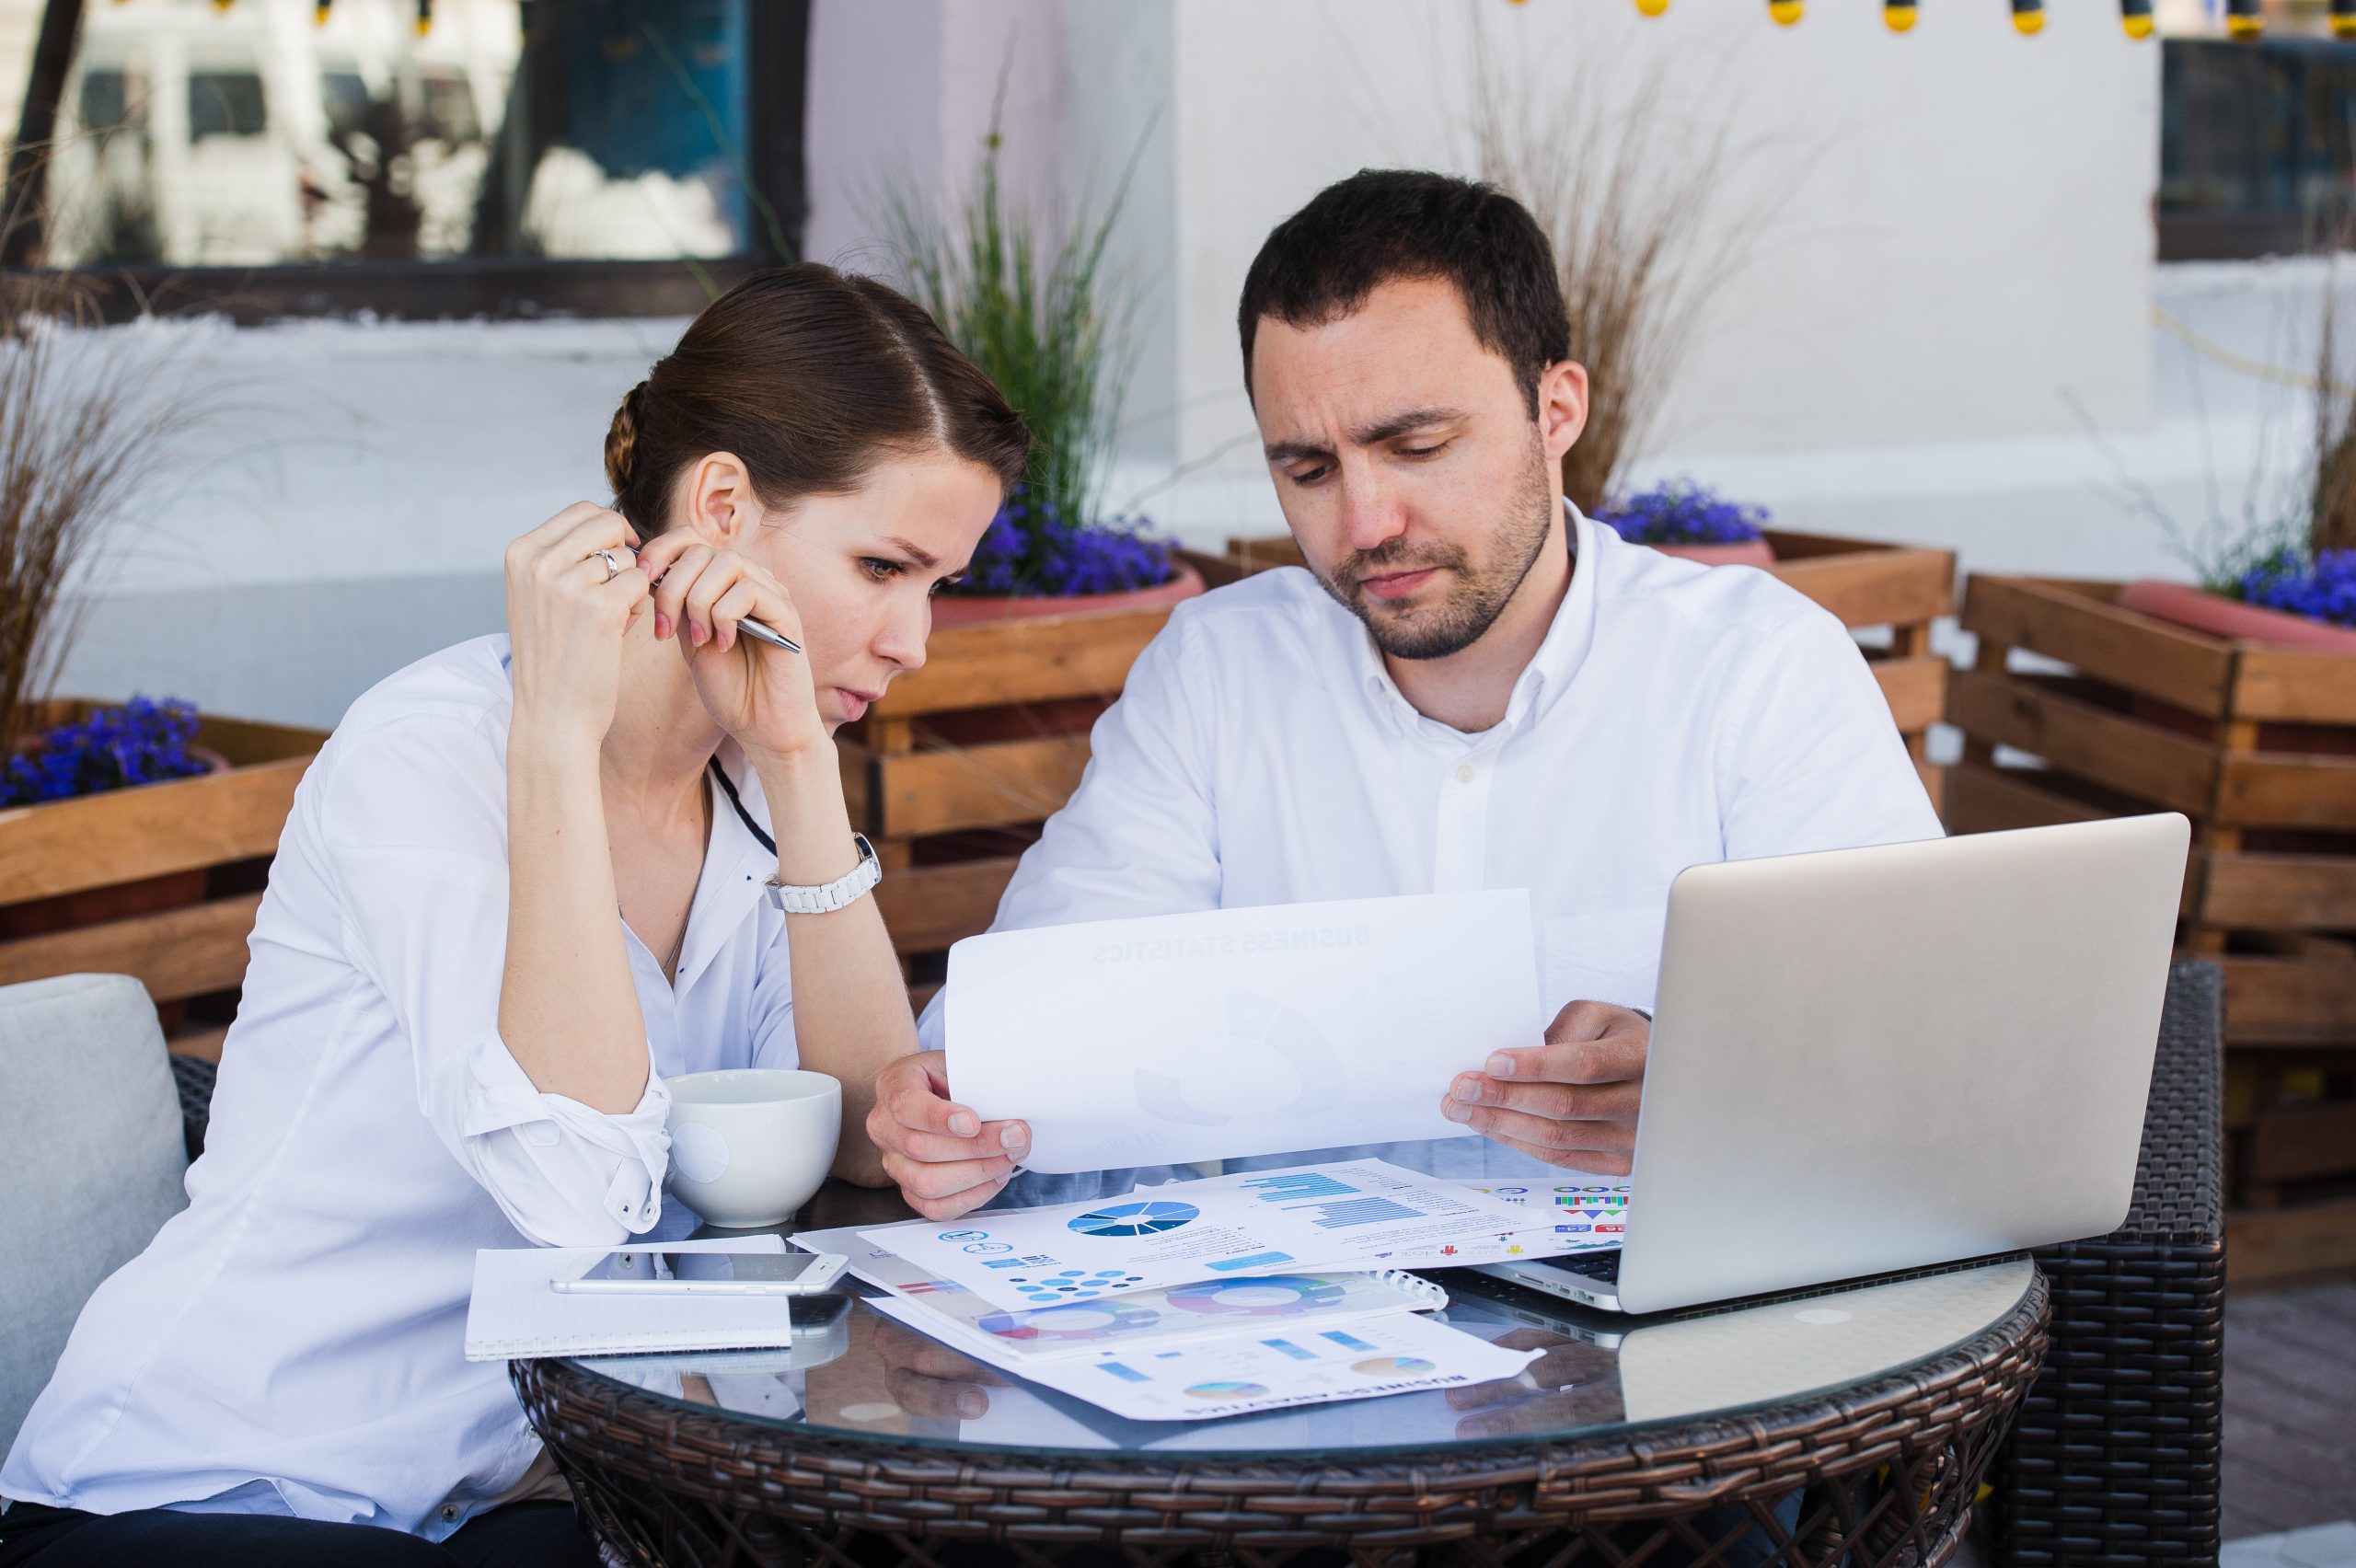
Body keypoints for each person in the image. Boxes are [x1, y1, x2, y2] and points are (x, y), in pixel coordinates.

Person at [0, 264, 1027, 1567]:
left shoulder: (751, 788)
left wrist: (803, 770)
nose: (914, 637)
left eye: (937, 583)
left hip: (522, 1491)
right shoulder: (423, 761)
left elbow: (864, 1133)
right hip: (227, 1482)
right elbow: (578, 1200)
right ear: (721, 507)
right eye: (885, 566)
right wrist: (554, 743)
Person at [866, 169, 1944, 1220]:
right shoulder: (1219, 673)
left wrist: (1716, 1100)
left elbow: (1916, 1056)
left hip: (1662, 1346)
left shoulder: (1756, 669)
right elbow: (1043, 1006)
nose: (1367, 523)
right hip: (1288, 1341)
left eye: (1417, 445)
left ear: (1556, 408)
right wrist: (955, 1107)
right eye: (1308, 471)